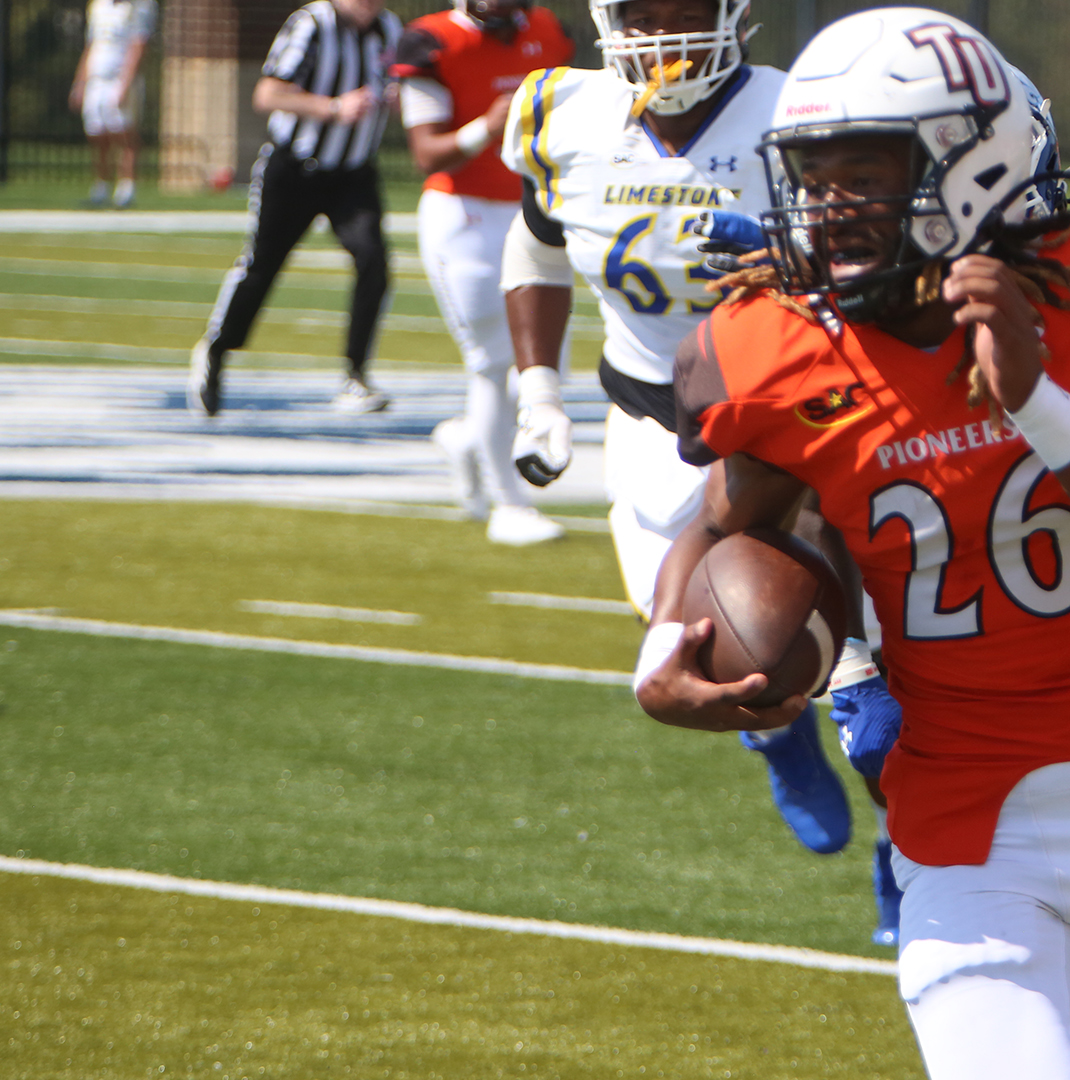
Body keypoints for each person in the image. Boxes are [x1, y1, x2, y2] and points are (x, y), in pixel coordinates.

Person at [638, 10, 1070, 1079]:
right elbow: (723, 530)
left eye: (867, 172)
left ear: (974, 157)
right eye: (813, 177)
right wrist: (660, 655)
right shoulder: (772, 350)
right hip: (962, 830)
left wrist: (1036, 400)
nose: (830, 209)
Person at [498, 0, 856, 852]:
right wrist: (538, 390)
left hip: (799, 409)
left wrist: (800, 261)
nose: (663, 32)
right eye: (642, 11)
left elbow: (885, 258)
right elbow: (536, 246)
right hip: (655, 411)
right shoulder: (560, 111)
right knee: (711, 634)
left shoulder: (803, 108)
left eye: (685, 8)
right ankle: (777, 738)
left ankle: (903, 835)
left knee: (866, 656)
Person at [391, 0, 573, 546]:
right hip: (463, 214)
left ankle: (468, 439)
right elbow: (426, 154)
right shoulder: (431, 40)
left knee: (544, 359)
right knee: (493, 361)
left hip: (529, 211)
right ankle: (509, 504)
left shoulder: (547, 29)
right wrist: (487, 128)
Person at [191, 0, 403, 418]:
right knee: (261, 267)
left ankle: (355, 376)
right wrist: (333, 107)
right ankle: (215, 353)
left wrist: (398, 98)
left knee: (374, 260)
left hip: (353, 174)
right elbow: (267, 94)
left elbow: (394, 83)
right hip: (295, 167)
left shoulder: (389, 30)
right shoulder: (312, 24)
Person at [70, 0, 156, 209]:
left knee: (124, 133)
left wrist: (125, 84)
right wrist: (80, 82)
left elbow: (138, 44)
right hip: (96, 78)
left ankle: (126, 190)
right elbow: (91, 45)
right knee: (97, 133)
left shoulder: (139, 6)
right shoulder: (98, 5)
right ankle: (101, 187)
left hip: (119, 77)